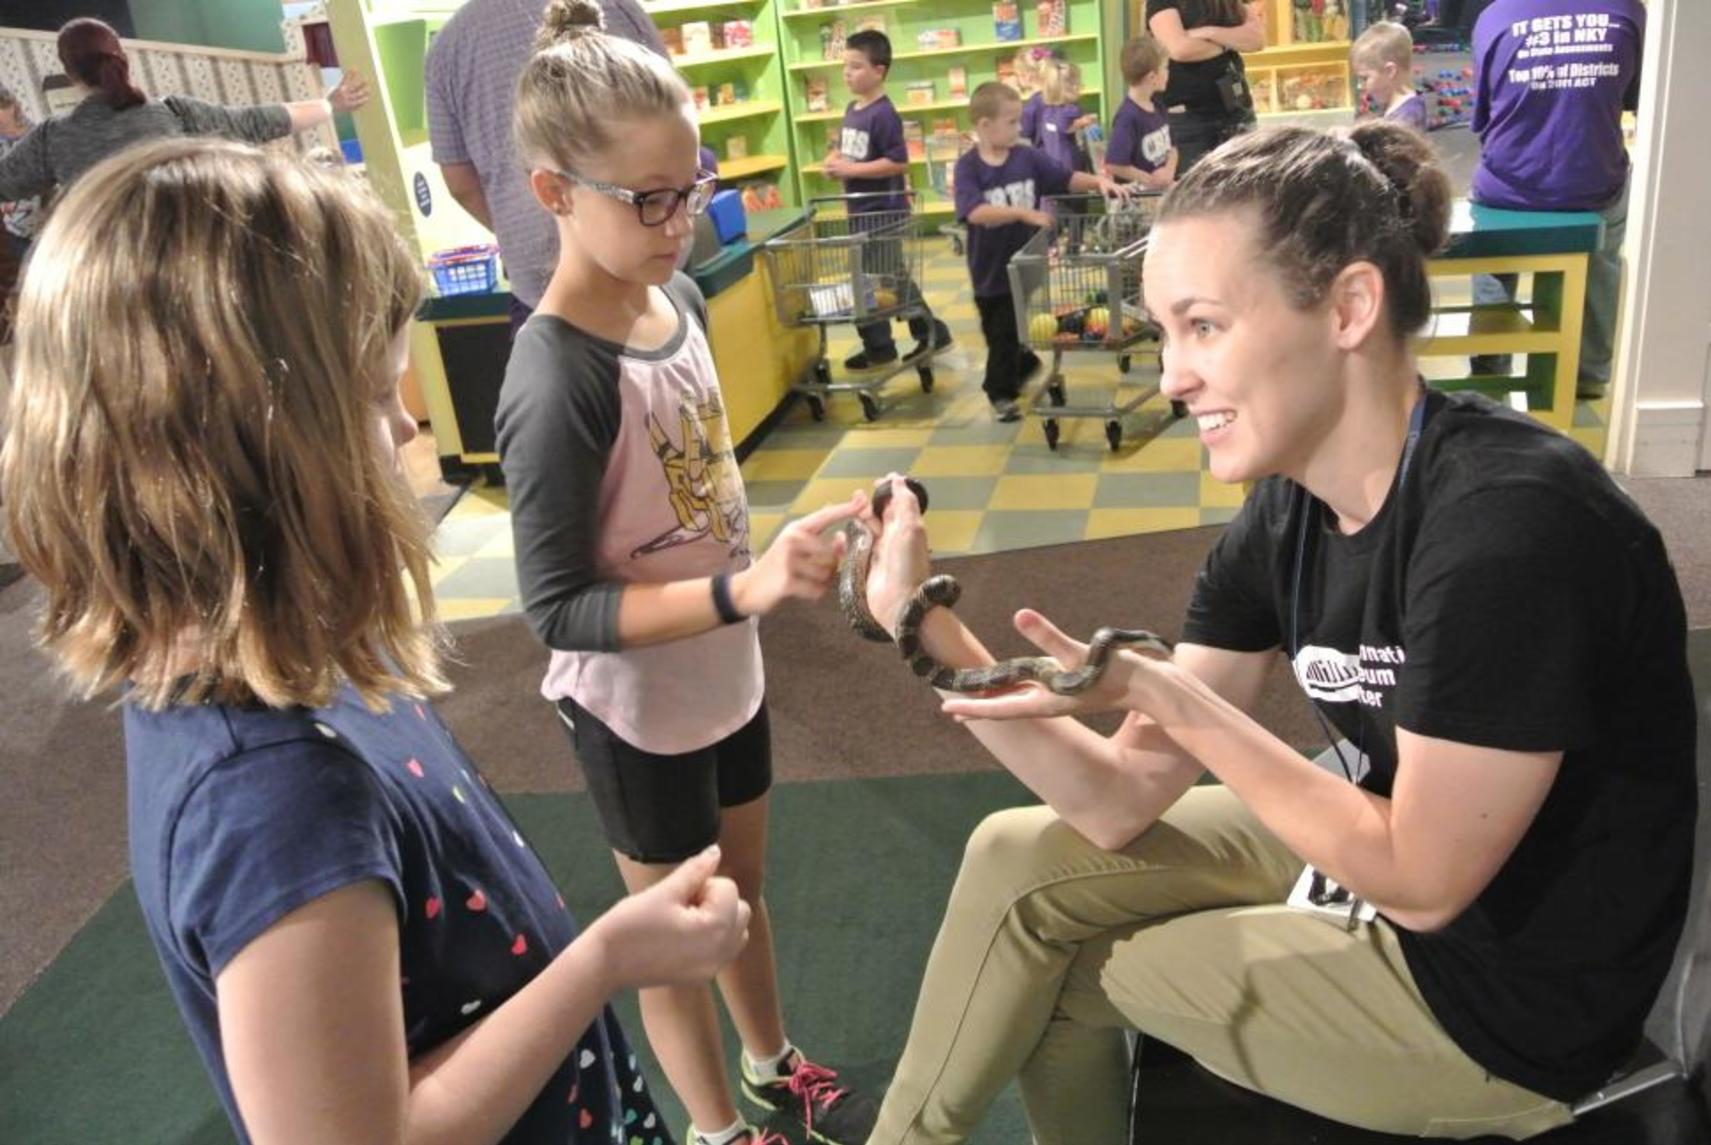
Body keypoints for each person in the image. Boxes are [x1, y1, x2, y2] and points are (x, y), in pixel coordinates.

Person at [860, 121, 1696, 1143]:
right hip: (1394, 863)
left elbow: (1424, 884)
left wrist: (1170, 696)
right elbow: (1118, 799)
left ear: (1348, 306)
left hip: (1510, 999)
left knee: (1093, 966)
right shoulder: (1285, 507)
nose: (1170, 375)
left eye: (1203, 325)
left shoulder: (1509, 526)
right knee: (1017, 855)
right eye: (1165, 333)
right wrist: (920, 621)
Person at [0, 136, 753, 1145]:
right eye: (374, 395)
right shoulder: (269, 793)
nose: (405, 429)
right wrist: (606, 958)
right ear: (264, 448)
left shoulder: (306, 670)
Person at [494, 6, 878, 1145]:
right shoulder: (555, 370)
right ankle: (715, 1128)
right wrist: (739, 591)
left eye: (691, 184)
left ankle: (772, 1059)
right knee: (674, 922)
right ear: (555, 191)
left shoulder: (685, 298)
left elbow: (698, 493)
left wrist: (774, 560)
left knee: (742, 889)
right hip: (633, 703)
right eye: (647, 198)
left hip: (727, 671)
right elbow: (556, 606)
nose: (681, 219)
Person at [426, 0, 667, 335]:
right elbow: (674, 125)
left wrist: (519, 230)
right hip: (643, 262)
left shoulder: (448, 45)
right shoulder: (617, 9)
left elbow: (461, 184)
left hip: (537, 281)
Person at [1466, 0, 1643, 400]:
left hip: (1508, 188)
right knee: (1604, 246)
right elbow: (1633, 99)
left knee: (1493, 258)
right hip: (1590, 185)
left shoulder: (1495, 18)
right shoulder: (1628, 13)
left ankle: (1490, 368)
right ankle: (1588, 372)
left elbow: (1482, 117)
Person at [0, 18, 367, 206]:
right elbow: (256, 122)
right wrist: (330, 104)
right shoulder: (175, 113)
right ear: (122, 59)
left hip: (119, 291)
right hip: (200, 267)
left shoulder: (53, 139)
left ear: (70, 74)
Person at [952, 82, 1128, 423]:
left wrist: (1098, 182)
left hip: (1028, 264)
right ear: (984, 125)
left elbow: (1064, 178)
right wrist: (1022, 213)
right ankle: (1000, 392)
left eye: (1019, 121)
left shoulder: (1026, 157)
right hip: (990, 271)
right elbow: (974, 212)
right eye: (1012, 122)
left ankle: (1017, 368)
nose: (1020, 129)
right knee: (999, 331)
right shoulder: (968, 168)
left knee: (1016, 325)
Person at [824, 29, 952, 371]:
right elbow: (848, 147)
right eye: (845, 67)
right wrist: (835, 160)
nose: (847, 73)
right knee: (874, 278)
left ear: (879, 71)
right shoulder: (853, 108)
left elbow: (897, 161)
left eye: (855, 67)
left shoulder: (883, 114)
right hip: (860, 210)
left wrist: (852, 169)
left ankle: (917, 335)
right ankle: (886, 343)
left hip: (883, 211)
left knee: (882, 279)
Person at [1145, 0, 1265, 173]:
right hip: (1189, 120)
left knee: (1244, 191)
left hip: (1237, 112)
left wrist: (1209, 32)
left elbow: (1256, 39)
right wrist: (1229, 41)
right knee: (1196, 194)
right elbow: (1180, 49)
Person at [1104, 36, 1179, 189]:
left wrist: (1168, 172)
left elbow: (1173, 146)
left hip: (1161, 191)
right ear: (1152, 77)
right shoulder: (1128, 117)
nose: (1168, 72)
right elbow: (1114, 164)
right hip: (1139, 200)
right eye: (1165, 67)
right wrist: (1149, 179)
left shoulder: (1157, 105)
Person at [1352, 20, 1427, 130]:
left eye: (1365, 78)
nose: (1360, 86)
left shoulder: (1404, 122)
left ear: (1390, 71)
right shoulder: (1403, 108)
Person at [1030, 59, 1096, 176]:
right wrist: (1087, 121)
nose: (1081, 86)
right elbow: (1065, 126)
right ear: (1070, 88)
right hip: (1069, 165)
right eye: (1078, 83)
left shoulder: (1047, 111)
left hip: (1051, 164)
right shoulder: (1071, 110)